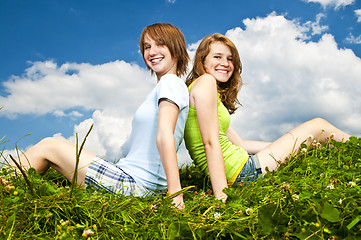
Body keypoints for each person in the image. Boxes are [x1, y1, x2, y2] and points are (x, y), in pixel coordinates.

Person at [8, 23, 190, 208]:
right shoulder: (163, 88)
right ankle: (7, 188)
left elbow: (165, 135)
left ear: (176, 47)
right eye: (147, 47)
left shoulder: (171, 82)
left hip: (135, 185)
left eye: (160, 44)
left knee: (49, 146)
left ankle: (5, 187)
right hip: (129, 177)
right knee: (55, 146)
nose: (152, 52)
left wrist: (176, 195)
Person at [183, 33, 351, 202]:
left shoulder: (201, 92)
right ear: (202, 60)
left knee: (314, 143)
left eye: (230, 59)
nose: (225, 63)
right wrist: (221, 195)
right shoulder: (206, 82)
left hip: (243, 165)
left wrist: (295, 148)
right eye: (217, 57)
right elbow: (210, 143)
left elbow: (242, 144)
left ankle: (349, 151)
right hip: (242, 172)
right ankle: (356, 147)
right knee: (317, 125)